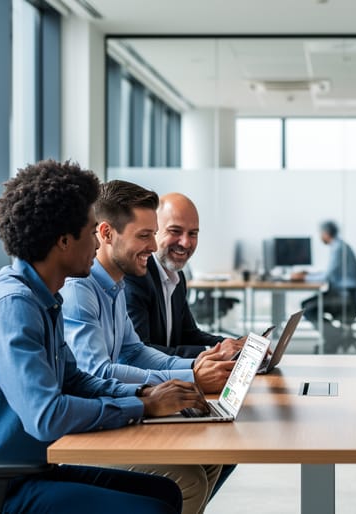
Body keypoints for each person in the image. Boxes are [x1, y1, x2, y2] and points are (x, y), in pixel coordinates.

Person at [0, 160, 201, 514]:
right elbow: (47, 416)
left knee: (167, 493)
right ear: (63, 241)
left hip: (29, 471)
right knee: (154, 509)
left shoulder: (45, 298)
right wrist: (143, 406)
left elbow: (75, 380)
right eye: (91, 232)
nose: (97, 242)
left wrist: (144, 392)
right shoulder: (14, 306)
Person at [61, 180, 239, 514]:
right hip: (83, 432)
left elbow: (134, 351)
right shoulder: (80, 289)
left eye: (153, 233)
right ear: (106, 233)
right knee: (189, 479)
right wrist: (192, 380)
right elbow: (97, 371)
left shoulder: (114, 284)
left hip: (112, 411)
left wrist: (193, 371)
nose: (152, 245)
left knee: (213, 456)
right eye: (145, 235)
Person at [125, 192, 241, 358]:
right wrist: (211, 353)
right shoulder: (136, 276)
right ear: (154, 231)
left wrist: (234, 345)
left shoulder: (176, 278)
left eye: (193, 233)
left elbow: (189, 335)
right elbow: (141, 352)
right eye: (175, 231)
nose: (186, 242)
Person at [292, 220, 356, 353]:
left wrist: (304, 277)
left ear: (326, 233)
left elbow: (326, 277)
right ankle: (335, 334)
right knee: (306, 304)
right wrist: (309, 274)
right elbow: (329, 272)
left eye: (320, 234)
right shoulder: (338, 246)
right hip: (341, 292)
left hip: (346, 296)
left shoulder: (338, 248)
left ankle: (333, 336)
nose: (320, 237)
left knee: (308, 308)